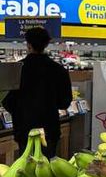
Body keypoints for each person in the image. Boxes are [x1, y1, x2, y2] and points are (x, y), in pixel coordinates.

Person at [2, 27, 72, 157]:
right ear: (46, 44)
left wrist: (21, 110)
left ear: (28, 45)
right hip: (49, 129)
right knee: (46, 169)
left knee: (26, 167)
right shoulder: (59, 70)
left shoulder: (16, 70)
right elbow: (65, 102)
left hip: (24, 130)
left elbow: (6, 100)